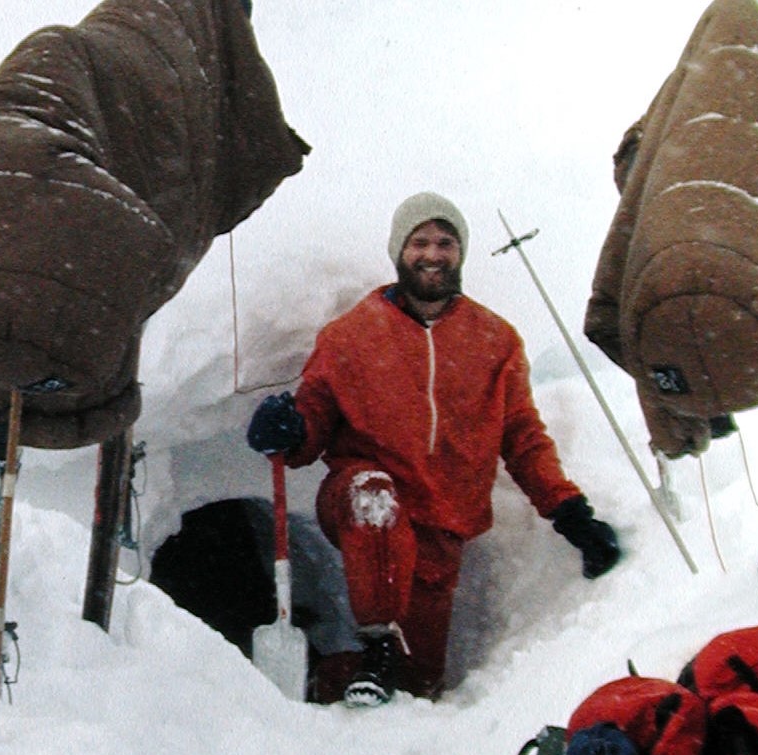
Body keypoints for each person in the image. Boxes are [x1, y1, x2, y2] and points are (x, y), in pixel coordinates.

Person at [246, 192, 620, 707]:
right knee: (373, 495)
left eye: (445, 242)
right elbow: (312, 425)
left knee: (419, 689)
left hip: (440, 534)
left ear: (460, 253)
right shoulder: (351, 337)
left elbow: (523, 437)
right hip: (360, 507)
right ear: (400, 251)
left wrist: (569, 511)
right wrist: (288, 431)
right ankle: (375, 644)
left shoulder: (495, 342)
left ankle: (327, 676)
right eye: (420, 241)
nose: (433, 253)